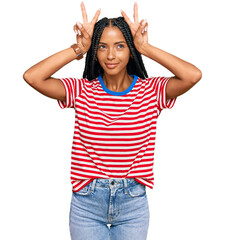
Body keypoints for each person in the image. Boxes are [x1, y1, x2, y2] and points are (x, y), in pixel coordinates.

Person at [23, 2, 202, 240]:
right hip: (87, 204)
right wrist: (78, 48)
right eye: (101, 47)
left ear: (131, 50)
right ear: (94, 52)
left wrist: (146, 48)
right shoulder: (81, 90)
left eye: (120, 46)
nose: (110, 55)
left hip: (133, 205)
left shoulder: (150, 91)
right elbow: (32, 77)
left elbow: (193, 75)